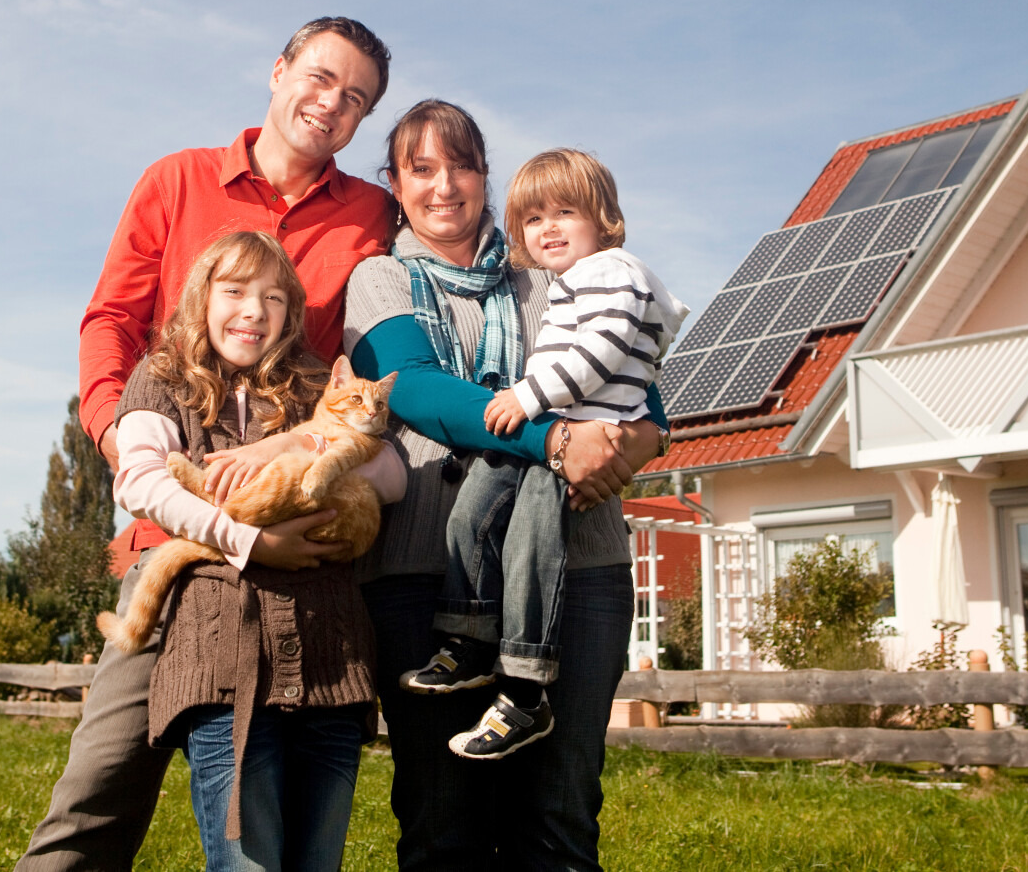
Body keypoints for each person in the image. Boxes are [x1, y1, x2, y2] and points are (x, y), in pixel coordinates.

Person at [16, 17, 395, 872]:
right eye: (322, 78)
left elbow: (369, 363)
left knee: (280, 819)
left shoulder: (371, 214)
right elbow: (111, 319)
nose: (333, 104)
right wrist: (124, 440)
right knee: (99, 786)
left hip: (297, 549)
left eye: (358, 99)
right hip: (177, 536)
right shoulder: (177, 181)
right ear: (278, 70)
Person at [340, 100, 669, 871]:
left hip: (578, 563)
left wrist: (637, 438)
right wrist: (557, 441)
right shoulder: (378, 278)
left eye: (462, 165)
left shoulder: (553, 271)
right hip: (427, 573)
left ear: (486, 175)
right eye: (422, 169)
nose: (445, 186)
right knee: (442, 823)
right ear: (395, 183)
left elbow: (634, 381)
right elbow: (414, 389)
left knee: (559, 818)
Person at [113, 231, 406, 872]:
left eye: (274, 297)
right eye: (235, 291)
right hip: (223, 663)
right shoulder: (162, 378)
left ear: (292, 312)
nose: (254, 310)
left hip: (332, 657)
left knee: (317, 861)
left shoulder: (312, 381)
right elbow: (139, 480)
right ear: (202, 297)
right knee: (249, 863)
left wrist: (303, 451)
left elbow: (394, 475)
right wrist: (252, 543)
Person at [400, 148, 688, 761]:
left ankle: (525, 690)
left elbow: (603, 353)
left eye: (566, 212)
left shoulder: (613, 271)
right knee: (470, 514)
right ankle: (472, 638)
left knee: (531, 540)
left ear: (605, 219)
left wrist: (526, 398)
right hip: (552, 433)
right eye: (534, 218)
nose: (548, 228)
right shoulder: (569, 280)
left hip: (582, 427)